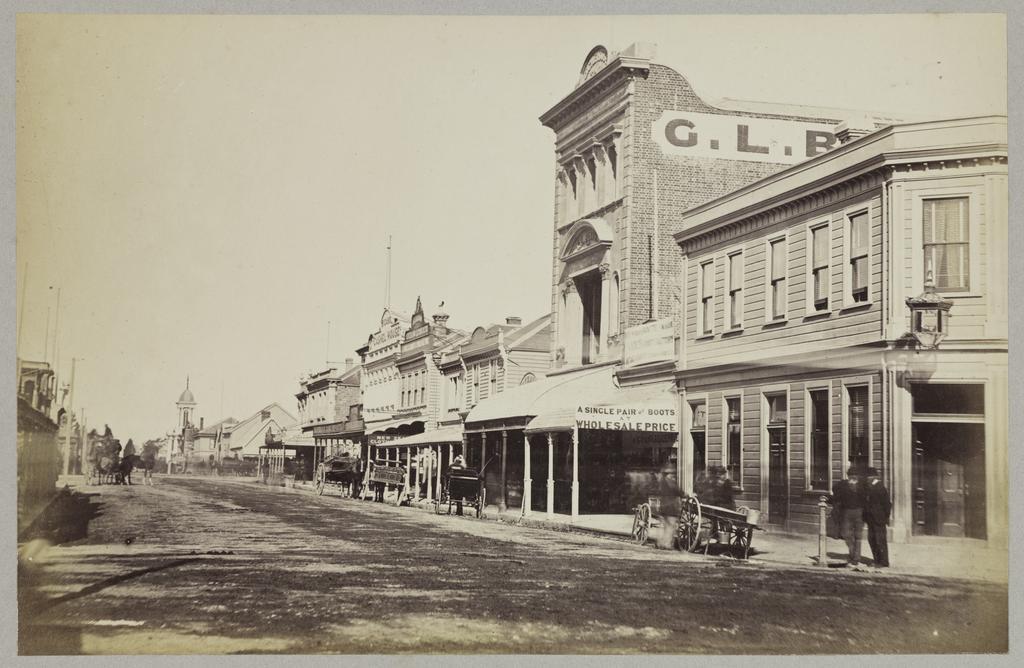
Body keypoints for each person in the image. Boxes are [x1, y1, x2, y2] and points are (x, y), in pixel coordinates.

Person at [832, 467, 867, 570]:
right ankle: (853, 553)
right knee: (846, 534)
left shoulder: (862, 486)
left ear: (857, 477)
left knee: (858, 536)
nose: (853, 477)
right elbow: (835, 490)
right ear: (848, 476)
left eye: (855, 475)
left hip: (859, 512)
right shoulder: (842, 484)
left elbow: (866, 497)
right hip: (846, 512)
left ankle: (856, 558)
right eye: (851, 475)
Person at [863, 467, 892, 568]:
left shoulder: (880, 488)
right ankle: (876, 560)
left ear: (873, 477)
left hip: (879, 519)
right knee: (872, 539)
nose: (866, 479)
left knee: (880, 540)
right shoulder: (868, 487)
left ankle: (883, 562)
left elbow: (887, 504)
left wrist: (885, 517)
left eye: (868, 477)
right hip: (870, 519)